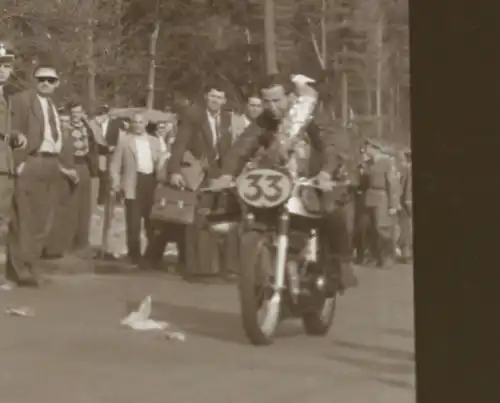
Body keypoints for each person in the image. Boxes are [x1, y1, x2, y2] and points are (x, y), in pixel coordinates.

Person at [211, 73, 358, 292]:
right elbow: (243, 144)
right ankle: (261, 265)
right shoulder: (266, 120)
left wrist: (326, 172)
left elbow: (331, 145)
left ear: (291, 97)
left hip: (319, 175)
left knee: (331, 211)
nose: (271, 107)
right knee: (254, 211)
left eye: (276, 100)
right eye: (266, 101)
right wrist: (226, 174)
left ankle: (342, 262)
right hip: (282, 180)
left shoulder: (312, 113)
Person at [6, 63, 78, 287]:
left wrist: (64, 165)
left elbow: (56, 140)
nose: (45, 83)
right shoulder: (23, 100)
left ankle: (30, 265)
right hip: (32, 161)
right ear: (34, 81)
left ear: (57, 84)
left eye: (50, 80)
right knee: (24, 219)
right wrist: (19, 163)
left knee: (43, 220)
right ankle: (19, 270)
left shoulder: (53, 106)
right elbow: (13, 130)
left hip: (51, 164)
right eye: (41, 79)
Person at [166, 83, 235, 281]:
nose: (215, 101)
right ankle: (195, 268)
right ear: (206, 97)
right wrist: (174, 170)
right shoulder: (194, 115)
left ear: (224, 101)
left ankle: (213, 266)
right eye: (212, 97)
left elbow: (228, 148)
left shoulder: (226, 119)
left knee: (215, 220)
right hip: (197, 172)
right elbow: (181, 142)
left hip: (218, 174)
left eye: (219, 98)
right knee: (196, 220)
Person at [44, 100, 99, 258]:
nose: (76, 116)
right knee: (67, 205)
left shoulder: (87, 127)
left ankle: (81, 241)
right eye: (73, 113)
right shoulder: (62, 130)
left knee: (84, 206)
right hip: (67, 165)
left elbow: (95, 145)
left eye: (79, 113)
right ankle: (61, 243)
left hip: (84, 166)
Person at [109, 112, 163, 267]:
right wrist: (116, 183)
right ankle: (134, 256)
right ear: (131, 124)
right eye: (134, 122)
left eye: (140, 122)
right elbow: (115, 165)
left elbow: (160, 161)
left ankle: (152, 256)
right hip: (133, 182)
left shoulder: (154, 141)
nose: (137, 125)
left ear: (146, 124)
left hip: (151, 182)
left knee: (152, 221)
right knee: (133, 222)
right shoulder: (125, 141)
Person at [0, 40, 28, 290]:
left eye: (6, 65)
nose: (2, 70)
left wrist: (15, 136)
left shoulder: (6, 97)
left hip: (5, 167)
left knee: (2, 222)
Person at [361, 139, 399, 268]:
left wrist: (393, 205)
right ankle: (374, 256)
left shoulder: (386, 162)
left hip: (381, 197)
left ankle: (387, 257)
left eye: (366, 147)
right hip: (369, 197)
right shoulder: (368, 163)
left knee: (382, 228)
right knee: (369, 227)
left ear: (373, 147)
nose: (365, 150)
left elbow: (392, 183)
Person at [398, 149, 412, 262]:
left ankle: (406, 253)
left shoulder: (407, 168)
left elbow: (406, 186)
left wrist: (407, 201)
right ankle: (406, 253)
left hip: (405, 202)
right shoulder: (407, 168)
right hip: (406, 202)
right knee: (406, 227)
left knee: (406, 227)